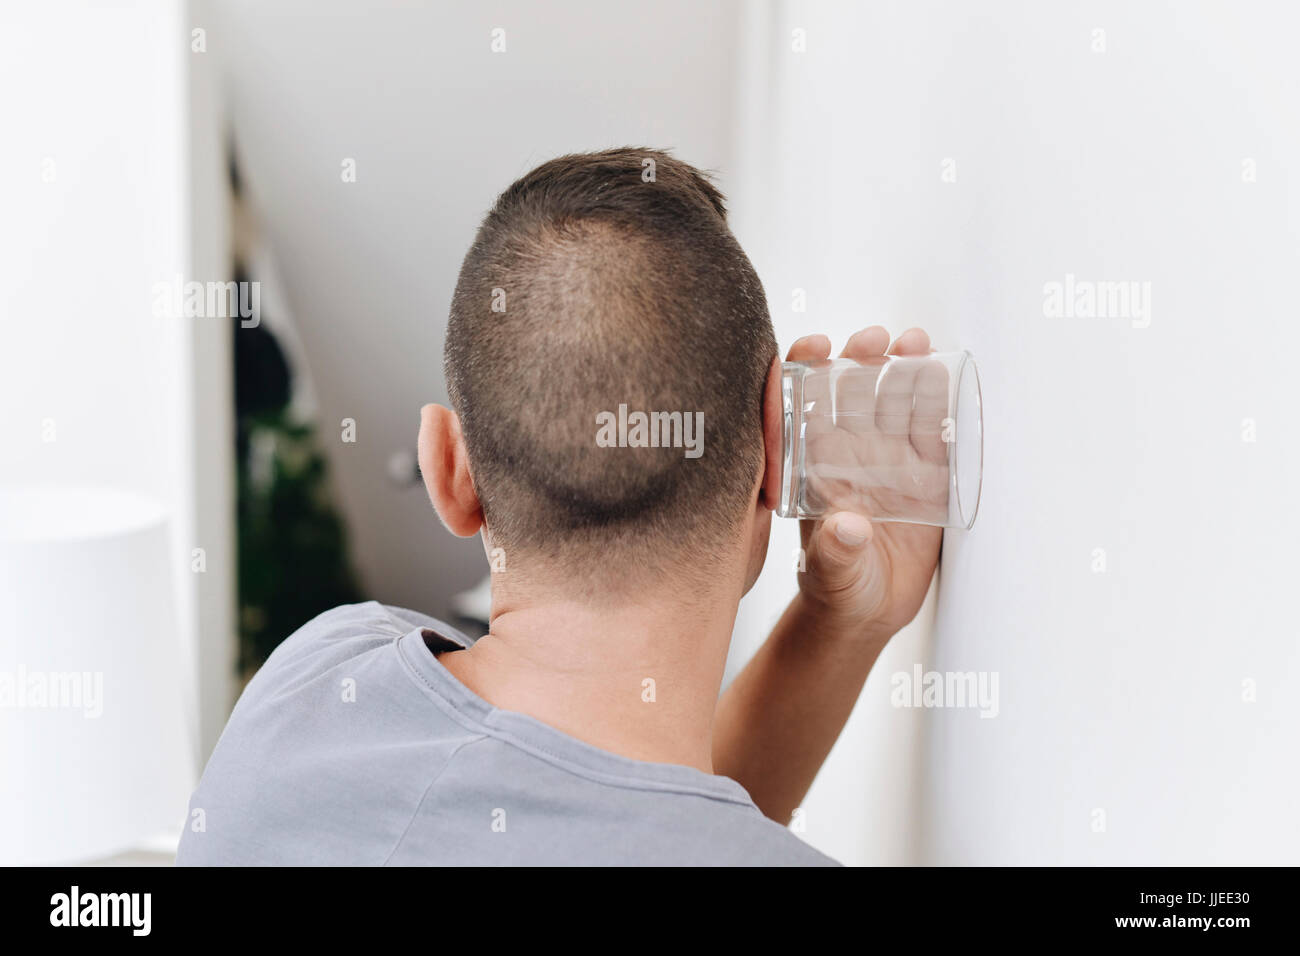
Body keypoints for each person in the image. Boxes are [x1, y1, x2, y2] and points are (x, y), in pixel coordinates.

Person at [176, 148, 941, 866]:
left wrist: (842, 623)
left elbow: (620, 813)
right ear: (778, 456)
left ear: (447, 469)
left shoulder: (312, 683)